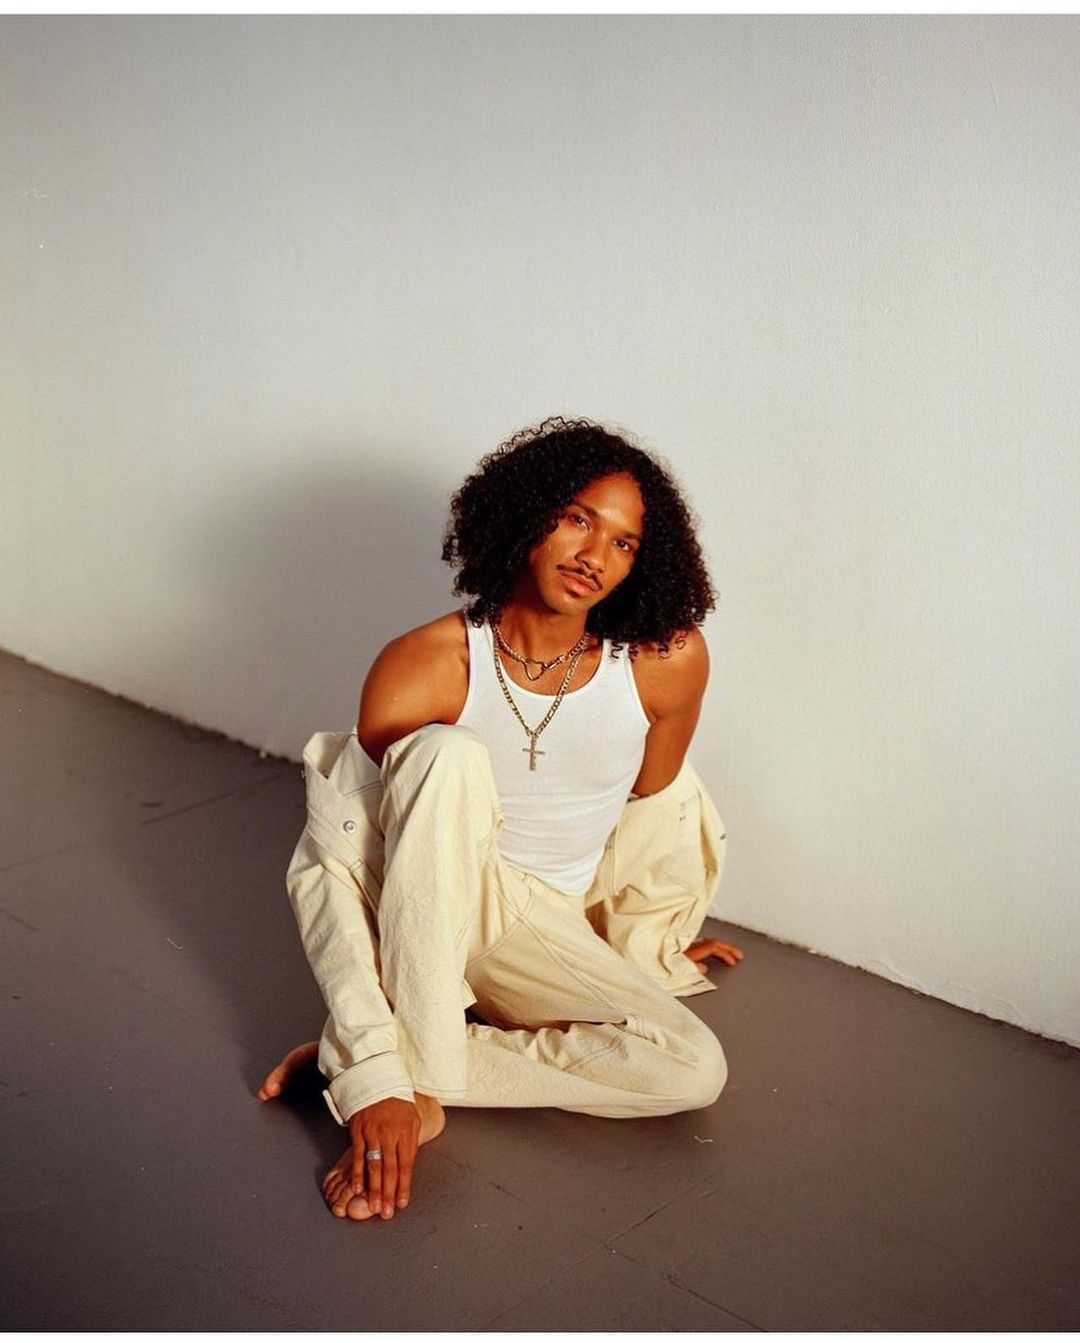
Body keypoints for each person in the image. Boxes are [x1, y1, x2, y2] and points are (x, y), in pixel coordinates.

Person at [259, 416, 743, 1223]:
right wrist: (378, 1075)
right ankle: (396, 1072)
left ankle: (395, 1058)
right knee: (447, 756)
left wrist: (645, 949)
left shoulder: (663, 662)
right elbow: (337, 868)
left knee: (694, 1066)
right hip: (426, 912)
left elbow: (650, 817)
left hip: (540, 928)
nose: (595, 555)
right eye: (579, 518)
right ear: (526, 513)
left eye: (624, 542)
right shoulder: (426, 664)